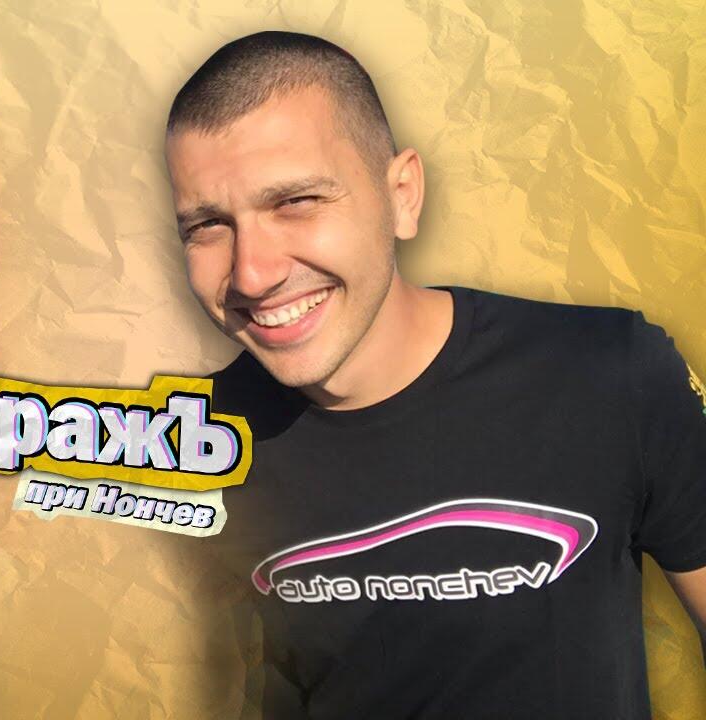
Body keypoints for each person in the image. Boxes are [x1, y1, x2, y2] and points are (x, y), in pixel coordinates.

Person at [164, 31, 706, 718]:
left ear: (402, 195)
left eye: (295, 201)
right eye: (208, 225)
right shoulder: (187, 446)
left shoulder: (610, 372)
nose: (252, 273)